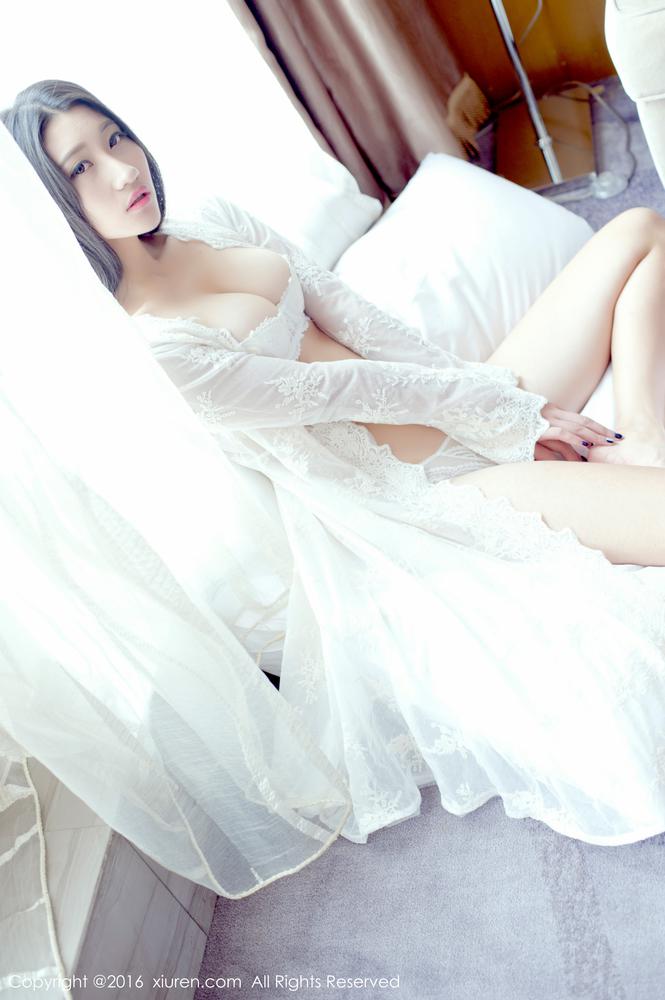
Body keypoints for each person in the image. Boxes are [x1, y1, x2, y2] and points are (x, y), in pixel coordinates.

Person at [7, 78, 665, 849]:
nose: (123, 169)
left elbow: (361, 323)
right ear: (54, 206)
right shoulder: (156, 351)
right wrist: (514, 417)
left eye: (115, 136)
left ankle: (641, 433)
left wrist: (497, 399)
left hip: (463, 407)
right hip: (432, 487)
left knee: (637, 229)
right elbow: (347, 388)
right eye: (82, 167)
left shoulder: (213, 220)